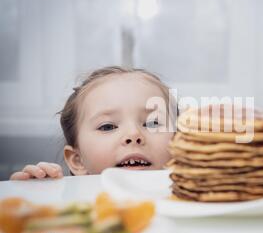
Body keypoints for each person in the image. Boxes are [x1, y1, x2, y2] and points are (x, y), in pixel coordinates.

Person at [10, 66, 176, 180]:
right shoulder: (66, 208)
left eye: (153, 123)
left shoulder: (196, 201)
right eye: (108, 126)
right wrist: (36, 198)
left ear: (181, 145)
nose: (133, 134)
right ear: (77, 160)